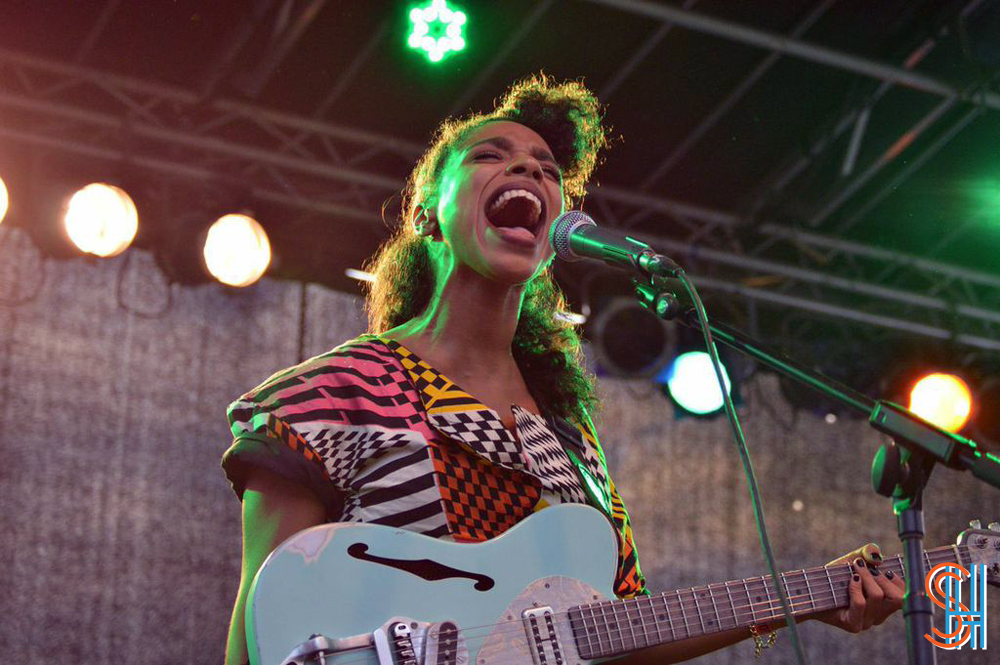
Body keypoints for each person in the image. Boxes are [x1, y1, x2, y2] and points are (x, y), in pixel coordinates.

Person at [222, 74, 904, 665]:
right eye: (492, 155)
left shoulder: (569, 440)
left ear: (553, 238)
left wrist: (803, 600)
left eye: (548, 170)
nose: (529, 173)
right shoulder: (329, 392)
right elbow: (262, 618)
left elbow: (621, 630)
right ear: (427, 209)